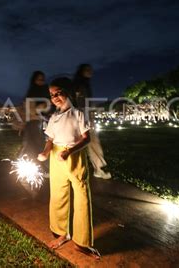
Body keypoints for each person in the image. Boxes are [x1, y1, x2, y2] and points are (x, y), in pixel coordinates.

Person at [38, 77, 101, 260]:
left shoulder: (79, 114)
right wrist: (44, 152)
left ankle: (82, 242)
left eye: (58, 92)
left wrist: (69, 152)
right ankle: (60, 233)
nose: (55, 97)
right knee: (58, 194)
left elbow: (86, 138)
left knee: (82, 196)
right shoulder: (54, 118)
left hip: (74, 156)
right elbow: (49, 140)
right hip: (56, 157)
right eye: (51, 95)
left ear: (67, 92)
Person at [73, 64, 111, 179]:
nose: (91, 71)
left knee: (92, 141)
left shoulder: (85, 83)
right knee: (82, 141)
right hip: (80, 115)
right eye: (87, 70)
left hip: (86, 114)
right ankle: (95, 168)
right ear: (81, 71)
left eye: (91, 69)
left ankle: (98, 168)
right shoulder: (78, 84)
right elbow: (76, 99)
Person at [18, 71, 50, 165]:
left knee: (36, 144)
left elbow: (45, 107)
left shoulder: (43, 91)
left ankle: (44, 167)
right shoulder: (32, 91)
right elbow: (28, 109)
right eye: (39, 79)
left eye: (43, 79)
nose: (41, 81)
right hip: (30, 122)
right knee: (29, 144)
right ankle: (26, 165)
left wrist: (41, 108)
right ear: (34, 80)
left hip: (37, 121)